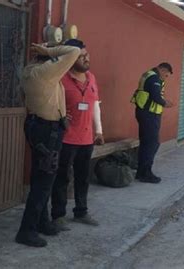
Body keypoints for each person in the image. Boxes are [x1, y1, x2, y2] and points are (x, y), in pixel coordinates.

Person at [16, 43, 81, 247]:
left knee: (40, 177)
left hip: (41, 126)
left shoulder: (31, 71)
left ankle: (42, 222)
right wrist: (50, 51)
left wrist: (60, 114)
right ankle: (27, 230)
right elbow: (74, 51)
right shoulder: (44, 72)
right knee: (44, 182)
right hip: (47, 131)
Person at [50, 39, 104, 230]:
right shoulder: (60, 78)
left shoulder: (91, 78)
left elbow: (95, 104)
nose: (86, 59)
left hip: (87, 138)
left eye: (86, 55)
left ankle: (81, 212)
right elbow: (50, 104)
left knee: (83, 177)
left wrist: (99, 130)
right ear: (70, 58)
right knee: (62, 177)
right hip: (65, 138)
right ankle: (58, 215)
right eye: (81, 56)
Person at [131, 62, 174, 183]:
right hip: (149, 114)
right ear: (162, 70)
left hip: (144, 112)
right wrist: (166, 103)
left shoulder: (148, 74)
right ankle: (145, 173)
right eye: (166, 75)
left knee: (146, 143)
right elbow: (155, 96)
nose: (165, 77)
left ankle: (141, 172)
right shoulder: (154, 77)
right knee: (152, 143)